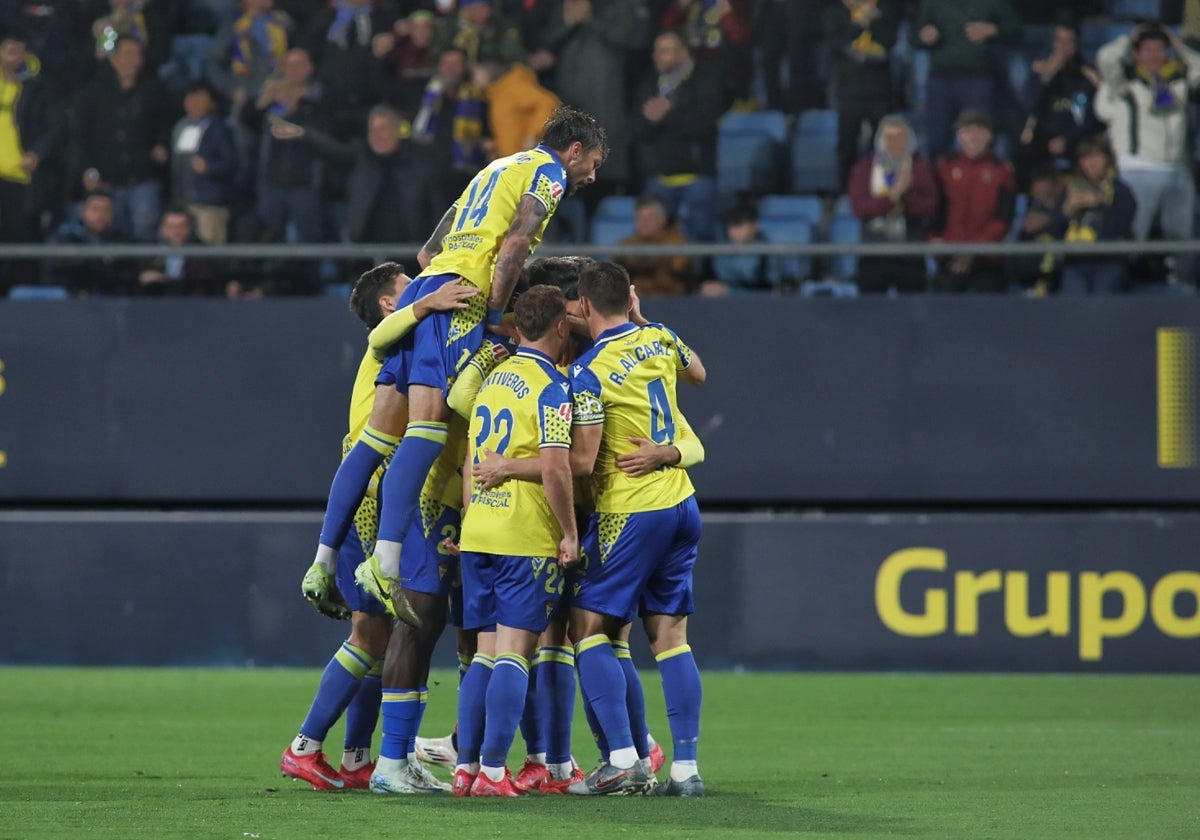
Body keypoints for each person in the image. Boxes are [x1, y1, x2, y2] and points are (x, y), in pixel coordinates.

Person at [305, 106, 604, 645]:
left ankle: (323, 560)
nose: (592, 176)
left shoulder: (495, 168)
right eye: (594, 162)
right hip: (460, 298)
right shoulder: (550, 173)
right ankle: (386, 561)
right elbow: (515, 242)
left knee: (377, 436)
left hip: (428, 285)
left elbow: (427, 250)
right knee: (428, 428)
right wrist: (490, 316)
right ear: (575, 150)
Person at [283, 261, 478, 792]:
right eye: (409, 291)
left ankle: (350, 756)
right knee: (396, 627)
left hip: (369, 495)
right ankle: (327, 750)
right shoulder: (392, 342)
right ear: (393, 306)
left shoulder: (401, 347)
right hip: (385, 500)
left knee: (374, 634)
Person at [565, 260, 707, 796]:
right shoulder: (659, 337)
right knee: (670, 638)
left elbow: (581, 460)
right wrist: (644, 322)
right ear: (631, 296)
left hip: (631, 509)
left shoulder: (589, 370)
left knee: (588, 630)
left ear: (580, 306)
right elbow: (698, 372)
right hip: (682, 506)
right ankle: (686, 770)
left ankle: (622, 759)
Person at [449, 284, 580, 797]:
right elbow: (556, 467)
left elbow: (470, 462)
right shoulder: (553, 387)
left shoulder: (491, 379)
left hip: (479, 528)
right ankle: (496, 773)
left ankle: (465, 769)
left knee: (482, 653)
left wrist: (467, 519)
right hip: (522, 535)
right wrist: (569, 532)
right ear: (562, 327)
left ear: (518, 329)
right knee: (513, 654)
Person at [1094, 23, 1200, 286]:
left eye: (1159, 49)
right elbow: (1105, 58)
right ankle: (1125, 285)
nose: (1154, 55)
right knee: (1134, 235)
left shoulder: (1179, 80)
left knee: (1183, 236)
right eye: (1147, 50)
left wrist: (1178, 45)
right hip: (1137, 168)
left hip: (1177, 168)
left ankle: (1182, 286)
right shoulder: (1124, 82)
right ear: (1137, 53)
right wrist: (1130, 38)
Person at [632, 30, 728, 243]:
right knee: (654, 242)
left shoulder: (706, 78)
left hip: (697, 177)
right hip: (658, 178)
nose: (657, 56)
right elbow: (639, 128)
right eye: (656, 50)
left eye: (665, 51)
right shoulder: (649, 82)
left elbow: (706, 125)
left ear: (684, 53)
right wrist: (651, 119)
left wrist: (668, 114)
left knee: (699, 240)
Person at [913, 0, 1021, 162]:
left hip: (976, 79)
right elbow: (914, 35)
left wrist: (992, 29)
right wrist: (924, 36)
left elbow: (1015, 28)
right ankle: (938, 182)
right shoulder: (931, 3)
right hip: (940, 79)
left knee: (980, 140)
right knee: (936, 141)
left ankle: (983, 182)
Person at [848, 114, 939, 294]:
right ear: (880, 140)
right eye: (889, 137)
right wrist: (894, 197)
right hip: (873, 255)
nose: (894, 143)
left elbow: (930, 206)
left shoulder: (920, 168)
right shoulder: (864, 168)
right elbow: (860, 207)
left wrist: (906, 196)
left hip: (910, 255)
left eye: (900, 137)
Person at [931, 109, 1016, 293]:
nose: (973, 136)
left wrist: (973, 250)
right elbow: (933, 212)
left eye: (979, 130)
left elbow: (1003, 219)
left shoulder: (1002, 171)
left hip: (988, 260)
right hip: (949, 257)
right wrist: (936, 243)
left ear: (990, 135)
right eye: (967, 130)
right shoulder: (944, 168)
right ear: (959, 135)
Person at [823, 0, 905, 190]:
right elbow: (834, 45)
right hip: (849, 91)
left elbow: (889, 40)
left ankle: (886, 190)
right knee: (847, 148)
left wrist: (873, 21)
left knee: (885, 148)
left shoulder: (885, 8)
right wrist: (858, 24)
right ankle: (846, 193)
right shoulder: (836, 10)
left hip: (880, 90)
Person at [1014, 19, 1101, 186]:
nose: (1063, 47)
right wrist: (1047, 76)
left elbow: (1092, 118)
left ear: (1077, 44)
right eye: (1059, 41)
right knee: (1022, 150)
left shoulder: (1087, 75)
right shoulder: (1040, 73)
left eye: (1069, 42)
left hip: (1076, 142)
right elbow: (1028, 107)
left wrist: (1068, 140)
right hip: (1042, 142)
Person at [1048, 134, 1137, 295]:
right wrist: (1066, 210)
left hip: (1109, 261)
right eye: (1085, 158)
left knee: (1104, 305)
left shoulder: (1121, 191)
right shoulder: (1072, 189)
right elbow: (1054, 229)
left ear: (1108, 159)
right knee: (1075, 308)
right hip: (1075, 262)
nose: (1090, 164)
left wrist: (1099, 204)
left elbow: (1122, 226)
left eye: (1095, 157)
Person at [169, 82, 237, 245]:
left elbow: (231, 165)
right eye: (191, 98)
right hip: (183, 202)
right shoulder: (181, 127)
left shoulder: (220, 128)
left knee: (209, 252)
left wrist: (209, 168)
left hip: (209, 203)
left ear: (212, 103)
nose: (194, 102)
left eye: (200, 98)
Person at [43, 190, 128, 295]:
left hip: (108, 301)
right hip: (70, 299)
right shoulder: (65, 236)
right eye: (95, 209)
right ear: (84, 211)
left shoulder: (119, 240)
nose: (101, 215)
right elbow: (55, 267)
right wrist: (99, 259)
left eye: (106, 210)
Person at [472, 59, 560, 160]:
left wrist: (533, 135)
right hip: (517, 166)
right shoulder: (497, 94)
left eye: (475, 74)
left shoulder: (512, 87)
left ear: (486, 72)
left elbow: (548, 102)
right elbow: (511, 127)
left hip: (530, 163)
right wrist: (497, 148)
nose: (473, 80)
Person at [133, 207, 223, 297]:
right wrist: (144, 280)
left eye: (181, 226)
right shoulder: (148, 253)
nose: (177, 231)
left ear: (190, 228)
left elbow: (206, 286)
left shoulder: (203, 255)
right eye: (171, 227)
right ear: (163, 229)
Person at [615, 193, 693, 297]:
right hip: (637, 300)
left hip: (671, 300)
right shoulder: (627, 245)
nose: (644, 222)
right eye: (640, 217)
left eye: (650, 217)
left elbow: (680, 268)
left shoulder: (677, 242)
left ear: (662, 219)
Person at [700, 203, 780, 296]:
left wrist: (730, 292)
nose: (732, 231)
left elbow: (770, 293)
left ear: (755, 226)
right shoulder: (716, 250)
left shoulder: (767, 253)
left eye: (739, 225)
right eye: (729, 226)